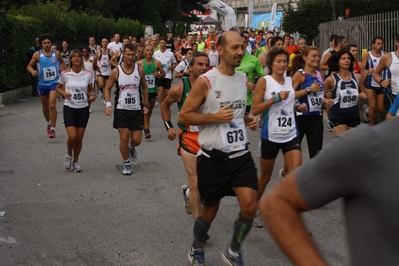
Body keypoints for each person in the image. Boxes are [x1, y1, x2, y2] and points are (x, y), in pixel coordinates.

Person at [259, 118, 399, 266]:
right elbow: (278, 201)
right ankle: (250, 211)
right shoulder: (372, 144)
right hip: (274, 133)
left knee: (296, 168)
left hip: (299, 127)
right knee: (266, 177)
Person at [178, 31, 258, 266]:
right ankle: (196, 246)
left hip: (240, 155)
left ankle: (233, 249)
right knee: (209, 212)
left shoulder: (243, 79)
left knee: (251, 206)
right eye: (235, 47)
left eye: (242, 47)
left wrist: (247, 118)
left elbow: (236, 113)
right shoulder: (207, 81)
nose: (240, 52)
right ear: (220, 50)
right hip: (213, 158)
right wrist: (214, 117)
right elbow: (184, 115)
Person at [251, 46, 307, 228]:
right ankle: (253, 208)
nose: (282, 64)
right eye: (279, 61)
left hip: (291, 134)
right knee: (265, 177)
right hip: (271, 134)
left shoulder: (290, 80)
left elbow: (288, 104)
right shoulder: (264, 82)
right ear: (271, 63)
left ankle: (289, 214)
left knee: (296, 175)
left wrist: (298, 108)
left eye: (285, 61)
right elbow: (256, 108)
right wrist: (274, 99)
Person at [160, 51, 209, 224]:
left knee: (206, 184)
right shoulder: (180, 87)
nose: (204, 68)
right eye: (200, 64)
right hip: (188, 139)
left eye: (206, 64)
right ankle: (199, 226)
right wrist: (169, 127)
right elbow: (164, 105)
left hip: (210, 140)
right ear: (191, 66)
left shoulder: (213, 86)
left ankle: (188, 193)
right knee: (196, 182)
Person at [104, 44, 149, 175]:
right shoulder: (116, 71)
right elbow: (107, 88)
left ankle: (132, 147)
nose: (130, 57)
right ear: (123, 55)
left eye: (132, 54)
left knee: (136, 140)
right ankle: (127, 163)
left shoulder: (139, 70)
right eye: (128, 54)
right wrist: (108, 104)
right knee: (124, 137)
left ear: (136, 55)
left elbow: (145, 87)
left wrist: (145, 105)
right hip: (121, 109)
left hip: (136, 109)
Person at [56, 49, 95, 172]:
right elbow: (58, 88)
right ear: (71, 59)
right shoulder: (65, 74)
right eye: (74, 56)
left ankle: (76, 161)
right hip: (69, 108)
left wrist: (91, 96)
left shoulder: (88, 74)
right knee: (72, 137)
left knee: (79, 138)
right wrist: (64, 93)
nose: (77, 58)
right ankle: (69, 155)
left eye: (79, 56)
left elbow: (90, 90)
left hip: (83, 108)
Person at [291, 46, 329, 159]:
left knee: (316, 154)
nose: (317, 58)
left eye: (318, 56)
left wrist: (325, 98)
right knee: (294, 152)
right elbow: (289, 95)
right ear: (304, 57)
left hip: (316, 117)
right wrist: (308, 90)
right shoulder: (300, 74)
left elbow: (318, 96)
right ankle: (286, 173)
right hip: (301, 117)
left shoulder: (319, 75)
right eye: (314, 56)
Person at [27, 33, 66, 138]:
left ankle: (53, 129)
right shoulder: (37, 54)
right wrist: (33, 71)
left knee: (52, 105)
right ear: (41, 44)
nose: (46, 45)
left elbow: (63, 63)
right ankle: (49, 123)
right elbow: (29, 66)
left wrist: (62, 71)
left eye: (48, 42)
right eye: (44, 43)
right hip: (42, 84)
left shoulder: (56, 53)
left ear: (51, 43)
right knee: (45, 107)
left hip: (54, 83)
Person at [324, 50, 367, 135]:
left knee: (352, 144)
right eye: (343, 59)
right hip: (337, 115)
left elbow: (364, 94)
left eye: (348, 59)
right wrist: (326, 98)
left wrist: (363, 96)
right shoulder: (331, 79)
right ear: (337, 62)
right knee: (343, 141)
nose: (346, 60)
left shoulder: (358, 77)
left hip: (353, 115)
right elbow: (320, 96)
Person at [137, 44, 165, 139]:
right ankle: (146, 129)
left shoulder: (157, 63)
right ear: (144, 52)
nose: (149, 52)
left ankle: (145, 123)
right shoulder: (140, 63)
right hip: (143, 90)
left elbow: (163, 74)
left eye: (151, 50)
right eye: (147, 50)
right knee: (146, 109)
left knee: (150, 110)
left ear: (153, 52)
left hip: (153, 89)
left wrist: (159, 75)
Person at [235, 33, 265, 114]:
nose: (241, 45)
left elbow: (262, 77)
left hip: (246, 100)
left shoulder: (253, 60)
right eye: (238, 42)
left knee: (243, 124)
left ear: (247, 44)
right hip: (230, 99)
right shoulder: (228, 59)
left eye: (244, 42)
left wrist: (255, 84)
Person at [361, 36, 386, 125]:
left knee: (380, 108)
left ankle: (367, 111)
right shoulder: (367, 55)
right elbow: (362, 69)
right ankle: (373, 127)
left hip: (381, 83)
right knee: (373, 106)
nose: (380, 45)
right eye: (378, 44)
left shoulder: (385, 55)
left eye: (381, 44)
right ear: (373, 45)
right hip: (369, 83)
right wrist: (368, 71)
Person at [373, 33, 399, 113]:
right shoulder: (388, 57)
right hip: (393, 95)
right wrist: (381, 81)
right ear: (397, 43)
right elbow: (375, 73)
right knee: (394, 122)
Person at [153, 37, 178, 104]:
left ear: (166, 44)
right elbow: (152, 63)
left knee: (167, 92)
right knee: (160, 91)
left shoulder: (170, 54)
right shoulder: (155, 53)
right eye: (161, 43)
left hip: (168, 75)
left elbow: (175, 63)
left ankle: (166, 104)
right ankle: (162, 106)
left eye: (164, 43)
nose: (162, 44)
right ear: (159, 44)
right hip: (159, 75)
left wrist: (171, 66)